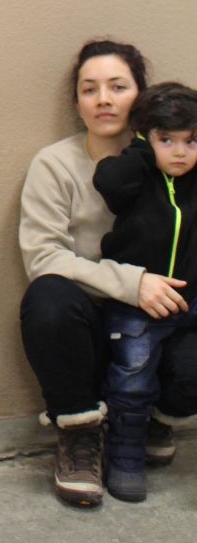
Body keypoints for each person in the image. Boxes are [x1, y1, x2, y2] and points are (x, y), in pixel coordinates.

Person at [18, 39, 152, 508]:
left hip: (156, 320)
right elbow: (43, 257)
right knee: (47, 299)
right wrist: (132, 284)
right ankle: (80, 435)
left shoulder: (169, 159)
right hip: (90, 326)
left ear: (140, 96)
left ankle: (153, 417)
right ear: (76, 103)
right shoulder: (54, 164)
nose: (104, 100)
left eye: (118, 87)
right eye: (89, 89)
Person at [95, 82, 197, 502]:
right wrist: (141, 149)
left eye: (191, 141)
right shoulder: (135, 176)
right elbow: (109, 183)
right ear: (144, 137)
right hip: (135, 305)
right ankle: (125, 456)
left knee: (189, 375)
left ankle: (159, 421)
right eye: (166, 140)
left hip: (188, 304)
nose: (180, 152)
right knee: (132, 381)